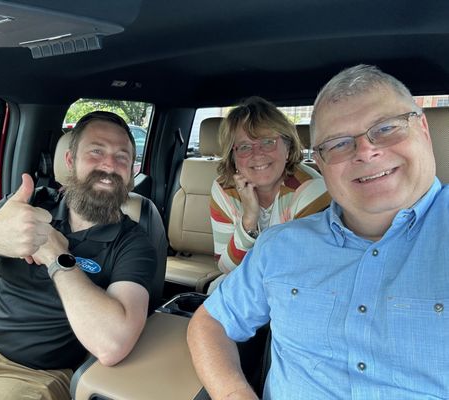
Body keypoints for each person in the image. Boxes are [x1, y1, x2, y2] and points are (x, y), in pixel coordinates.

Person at [188, 64, 449, 399]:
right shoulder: (263, 226)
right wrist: (250, 219)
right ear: (322, 160)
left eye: (386, 128)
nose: (366, 152)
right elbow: (225, 281)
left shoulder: (311, 191)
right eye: (340, 144)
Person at [0, 111, 157, 400]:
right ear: (70, 161)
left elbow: (112, 345)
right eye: (96, 151)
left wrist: (56, 255)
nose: (109, 164)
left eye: (122, 157)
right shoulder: (28, 203)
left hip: (34, 373)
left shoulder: (133, 243)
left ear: (131, 172)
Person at [209, 96, 330, 292]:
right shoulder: (224, 189)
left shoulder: (312, 190)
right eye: (245, 147)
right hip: (247, 285)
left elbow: (305, 271)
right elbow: (225, 267)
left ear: (288, 148)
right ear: (234, 157)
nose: (257, 154)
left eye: (267, 142)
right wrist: (249, 220)